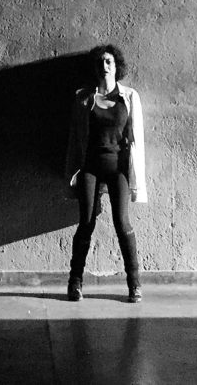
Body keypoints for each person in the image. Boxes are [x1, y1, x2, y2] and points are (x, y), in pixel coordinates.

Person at [64, 44, 146, 302]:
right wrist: (71, 173)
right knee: (86, 223)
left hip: (118, 169)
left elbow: (136, 137)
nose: (104, 66)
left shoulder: (129, 97)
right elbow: (75, 138)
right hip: (89, 168)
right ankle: (75, 282)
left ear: (116, 65)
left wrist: (136, 176)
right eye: (100, 62)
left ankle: (134, 284)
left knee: (122, 223)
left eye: (109, 61)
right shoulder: (83, 98)